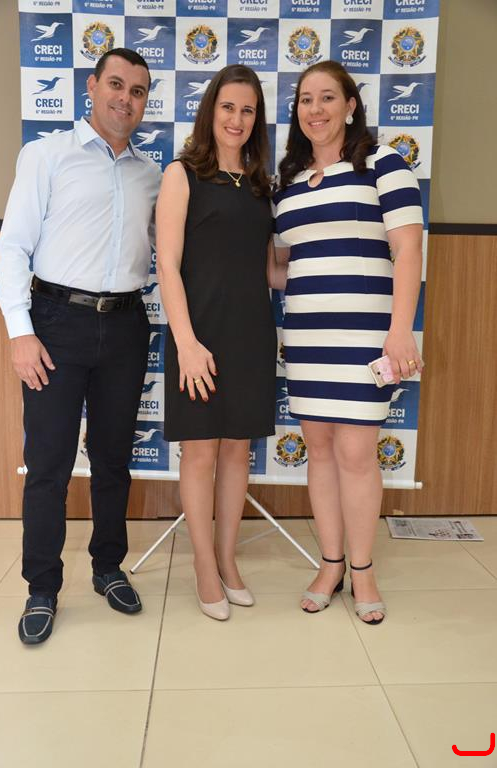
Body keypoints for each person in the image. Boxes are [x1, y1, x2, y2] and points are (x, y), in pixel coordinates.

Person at [0, 48, 161, 644]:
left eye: (137, 91)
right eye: (116, 84)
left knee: (113, 459)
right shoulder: (46, 156)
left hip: (127, 324)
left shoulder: (152, 176)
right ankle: (41, 586)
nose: (125, 98)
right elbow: (12, 248)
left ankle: (108, 567)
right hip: (55, 323)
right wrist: (20, 331)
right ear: (92, 86)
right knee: (49, 464)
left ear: (145, 101)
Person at [269, 61, 423, 625]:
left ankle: (363, 570)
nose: (316, 109)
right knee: (319, 450)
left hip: (366, 338)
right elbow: (281, 269)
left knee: (356, 455)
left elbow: (408, 251)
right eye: (306, 100)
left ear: (351, 105)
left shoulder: (384, 164)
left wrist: (400, 330)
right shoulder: (287, 181)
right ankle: (330, 563)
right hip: (306, 338)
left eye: (328, 97)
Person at [157, 65, 276, 620]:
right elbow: (167, 264)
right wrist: (186, 342)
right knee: (201, 451)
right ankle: (203, 566)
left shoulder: (260, 184)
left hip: (250, 334)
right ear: (211, 111)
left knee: (236, 451)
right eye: (228, 107)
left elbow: (268, 269)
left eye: (247, 110)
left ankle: (228, 560)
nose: (237, 119)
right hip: (198, 335)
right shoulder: (181, 174)